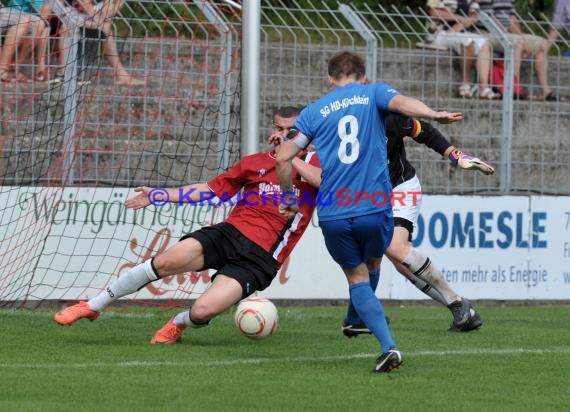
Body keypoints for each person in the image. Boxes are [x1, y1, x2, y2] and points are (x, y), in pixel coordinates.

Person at [54, 107, 321, 346]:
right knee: (165, 261)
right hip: (229, 233)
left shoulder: (315, 163)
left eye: (292, 130)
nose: (284, 133)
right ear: (272, 129)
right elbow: (208, 190)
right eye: (279, 128)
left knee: (203, 311)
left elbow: (323, 182)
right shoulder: (253, 162)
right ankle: (93, 305)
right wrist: (159, 195)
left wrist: (287, 157)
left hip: (261, 257)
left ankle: (178, 323)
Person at [275, 51, 463, 373]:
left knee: (355, 276)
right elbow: (404, 104)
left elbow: (282, 157)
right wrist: (433, 113)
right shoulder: (373, 93)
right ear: (363, 76)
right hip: (374, 206)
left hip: (333, 210)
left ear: (329, 79)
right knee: (373, 262)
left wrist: (288, 197)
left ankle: (375, 334)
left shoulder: (314, 111)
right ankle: (370, 332)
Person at [478, 0, 557, 101]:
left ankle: (545, 91)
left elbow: (512, 18)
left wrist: (521, 38)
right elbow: (489, 19)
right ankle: (513, 88)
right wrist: (514, 38)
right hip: (487, 32)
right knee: (517, 43)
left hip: (507, 34)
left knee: (542, 44)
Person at [59, 0, 145, 86]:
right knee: (66, 28)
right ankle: (63, 74)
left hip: (89, 14)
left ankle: (121, 75)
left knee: (106, 29)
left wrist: (108, 10)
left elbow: (111, 7)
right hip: (68, 11)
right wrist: (97, 18)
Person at [426, 0, 500, 99]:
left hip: (460, 32)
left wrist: (460, 25)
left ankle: (483, 88)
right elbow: (434, 12)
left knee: (484, 43)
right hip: (439, 33)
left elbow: (474, 16)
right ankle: (465, 85)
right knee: (467, 42)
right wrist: (460, 18)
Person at [7, 0, 50, 82]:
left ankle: (39, 69)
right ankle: (14, 68)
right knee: (41, 25)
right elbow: (42, 12)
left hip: (31, 16)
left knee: (45, 27)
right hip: (15, 13)